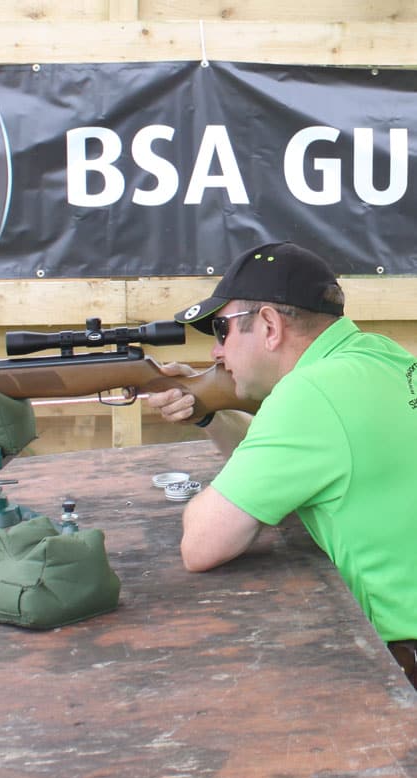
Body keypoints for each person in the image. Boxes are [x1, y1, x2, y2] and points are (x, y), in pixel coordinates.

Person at [147, 240, 417, 689]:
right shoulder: (379, 354)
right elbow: (279, 465)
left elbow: (202, 545)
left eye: (221, 330)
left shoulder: (309, 395)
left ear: (269, 326)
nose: (216, 353)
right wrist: (207, 411)